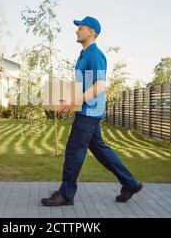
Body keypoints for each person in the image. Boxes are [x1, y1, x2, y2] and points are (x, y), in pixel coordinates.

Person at [41, 16, 143, 206]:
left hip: (90, 112)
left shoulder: (95, 54)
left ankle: (66, 195)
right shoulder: (83, 54)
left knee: (74, 151)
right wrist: (67, 98)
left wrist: (75, 102)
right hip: (87, 110)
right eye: (78, 27)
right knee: (100, 150)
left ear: (92, 32)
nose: (77, 30)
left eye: (82, 28)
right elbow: (85, 85)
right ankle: (130, 183)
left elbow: (101, 85)